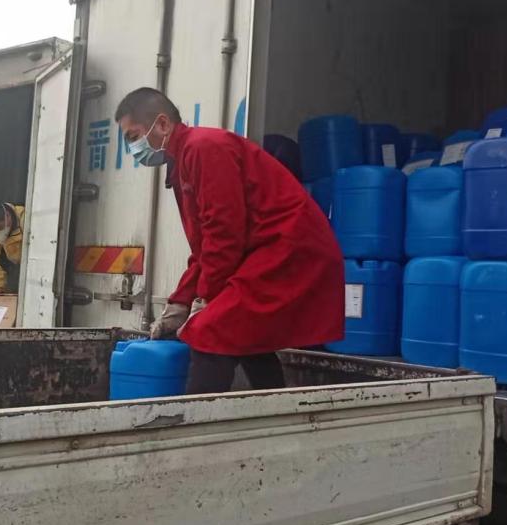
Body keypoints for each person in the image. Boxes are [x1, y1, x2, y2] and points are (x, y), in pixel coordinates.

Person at [115, 87, 344, 394]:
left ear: (163, 124)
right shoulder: (183, 163)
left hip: (290, 248)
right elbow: (204, 248)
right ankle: (274, 410)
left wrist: (205, 298)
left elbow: (224, 233)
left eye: (134, 136)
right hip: (269, 248)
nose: (134, 148)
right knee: (242, 331)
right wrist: (180, 302)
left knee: (210, 331)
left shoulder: (203, 149)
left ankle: (197, 422)